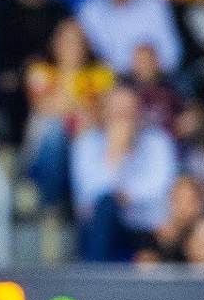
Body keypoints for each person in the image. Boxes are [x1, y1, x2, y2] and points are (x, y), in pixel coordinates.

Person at [70, 86, 177, 261]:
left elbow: (162, 188)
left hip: (147, 226)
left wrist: (128, 196)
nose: (123, 118)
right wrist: (115, 154)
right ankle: (94, 273)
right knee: (106, 205)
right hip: (104, 226)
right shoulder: (87, 143)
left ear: (139, 112)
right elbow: (89, 194)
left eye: (129, 111)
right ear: (104, 112)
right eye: (117, 111)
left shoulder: (158, 141)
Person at [21, 19, 115, 208]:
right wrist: (82, 104)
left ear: (87, 45)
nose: (72, 46)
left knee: (89, 139)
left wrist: (81, 109)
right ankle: (50, 205)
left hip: (83, 150)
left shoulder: (101, 74)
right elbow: (44, 107)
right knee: (55, 128)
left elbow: (104, 114)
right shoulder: (40, 71)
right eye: (66, 40)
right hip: (44, 153)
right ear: (55, 43)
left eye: (77, 41)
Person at [0, 0, 69, 138]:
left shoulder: (58, 10)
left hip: (52, 74)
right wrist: (17, 71)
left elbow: (65, 45)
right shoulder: (4, 9)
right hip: (16, 75)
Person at [76, 0, 182, 76]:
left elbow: (172, 54)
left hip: (159, 75)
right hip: (112, 79)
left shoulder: (156, 2)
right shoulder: (89, 10)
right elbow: (95, 56)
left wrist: (147, 65)